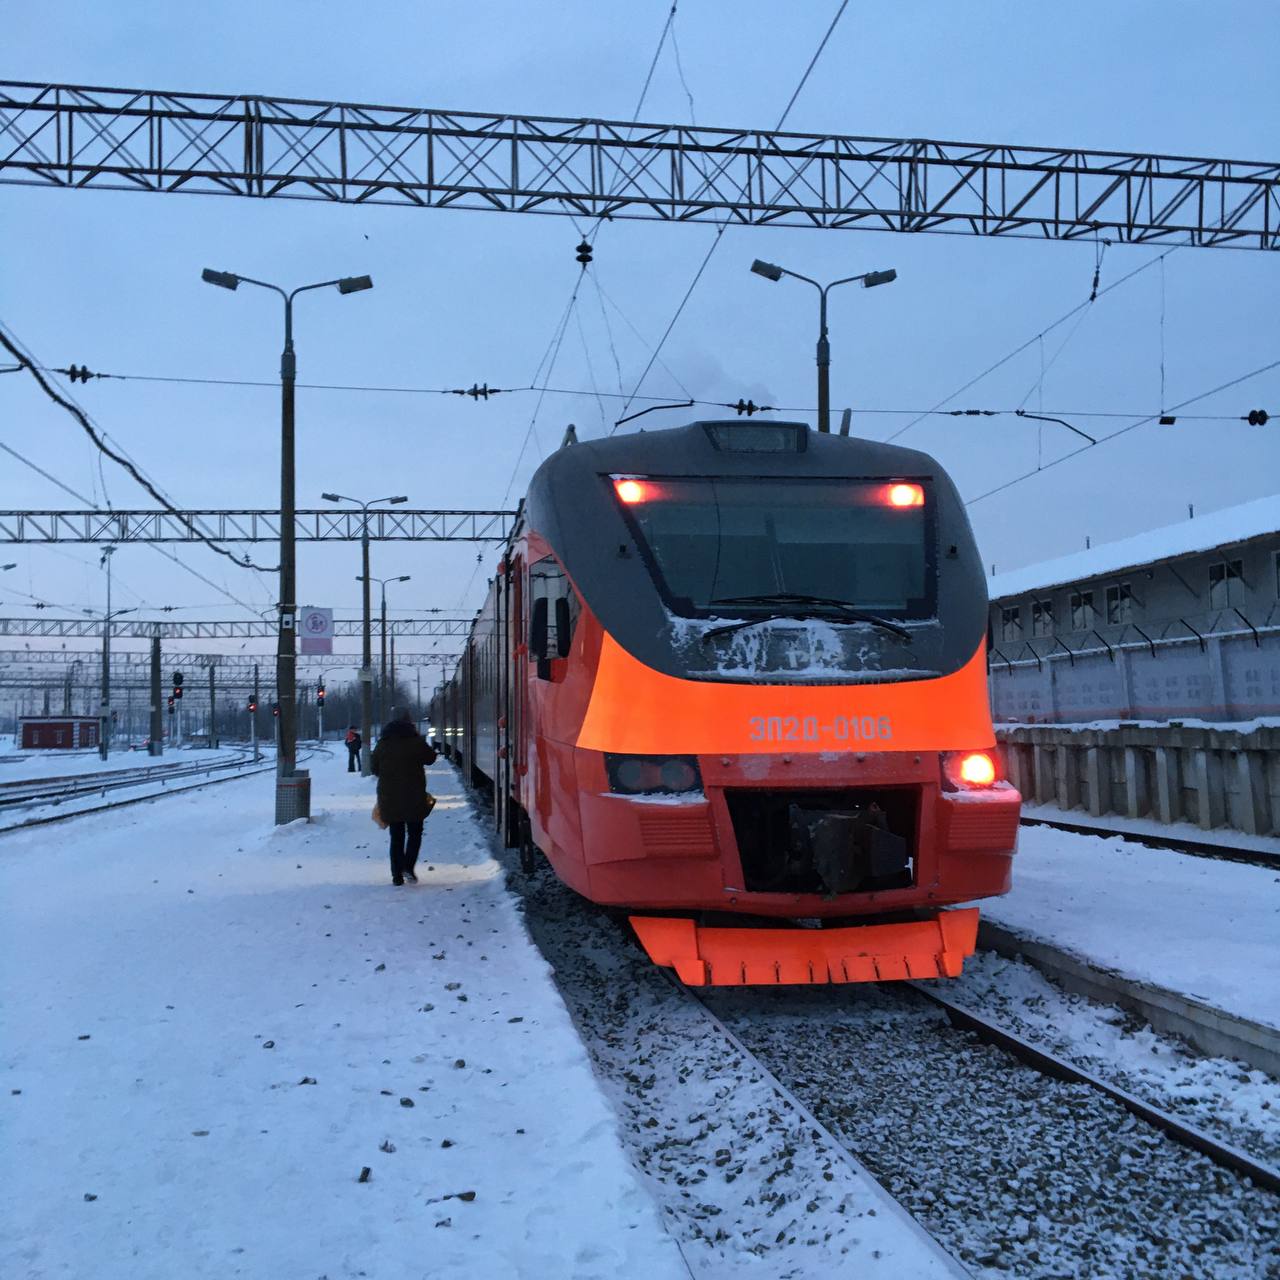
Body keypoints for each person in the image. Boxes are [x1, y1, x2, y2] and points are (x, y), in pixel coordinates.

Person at [370, 711, 437, 886]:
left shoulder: (382, 744)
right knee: (415, 834)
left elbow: (374, 768)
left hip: (389, 797)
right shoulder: (415, 742)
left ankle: (396, 876)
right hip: (414, 796)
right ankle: (408, 866)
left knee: (396, 836)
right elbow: (430, 759)